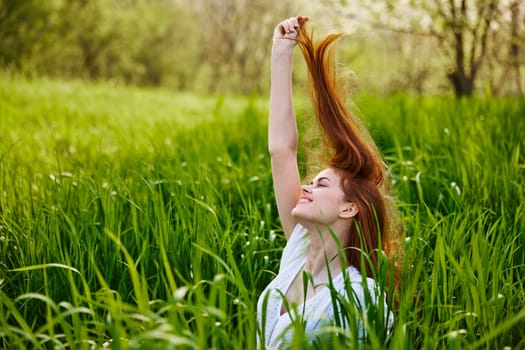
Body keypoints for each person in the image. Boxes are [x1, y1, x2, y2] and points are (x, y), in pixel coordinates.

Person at [256, 16, 401, 348]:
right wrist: (280, 54)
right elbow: (281, 150)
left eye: (320, 185)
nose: (305, 187)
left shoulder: (361, 298)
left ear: (350, 207)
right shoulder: (299, 250)